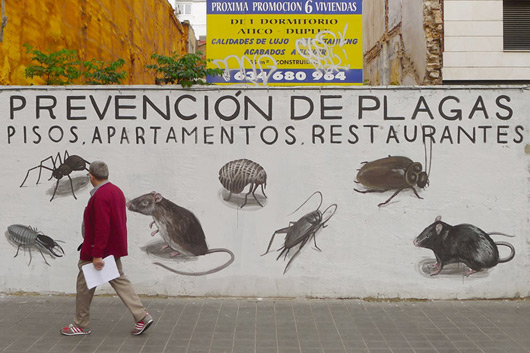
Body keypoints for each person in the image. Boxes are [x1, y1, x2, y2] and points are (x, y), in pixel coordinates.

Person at [60, 161, 153, 336]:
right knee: (119, 280)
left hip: (98, 250)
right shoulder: (116, 191)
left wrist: (96, 254)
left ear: (91, 176)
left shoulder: (100, 196)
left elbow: (102, 227)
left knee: (84, 285)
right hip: (112, 248)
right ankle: (142, 316)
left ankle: (81, 324)